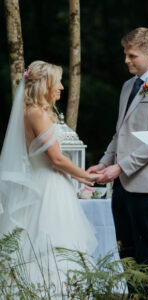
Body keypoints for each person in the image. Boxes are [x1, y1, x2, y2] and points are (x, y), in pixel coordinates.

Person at [88, 27, 148, 299]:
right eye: (125, 54)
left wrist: (120, 167)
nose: (126, 60)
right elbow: (121, 133)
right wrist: (104, 163)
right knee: (126, 253)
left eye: (132, 56)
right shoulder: (128, 86)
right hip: (123, 187)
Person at [0, 61, 99, 290]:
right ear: (45, 84)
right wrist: (86, 176)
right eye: (58, 82)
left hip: (38, 181)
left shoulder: (29, 112)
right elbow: (56, 158)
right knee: (53, 246)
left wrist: (80, 178)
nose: (62, 87)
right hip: (49, 188)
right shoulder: (38, 114)